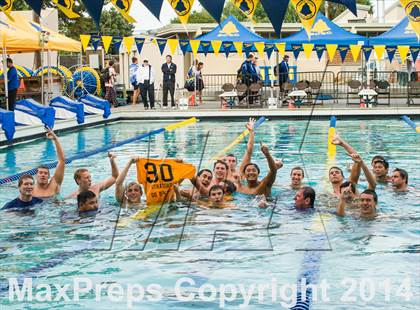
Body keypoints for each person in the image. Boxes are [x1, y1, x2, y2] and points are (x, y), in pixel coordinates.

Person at [33, 128, 66, 198]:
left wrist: (55, 139)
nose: (43, 175)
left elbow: (62, 160)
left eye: (45, 173)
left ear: (48, 177)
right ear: (36, 176)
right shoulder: (31, 190)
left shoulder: (54, 185)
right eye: (40, 173)